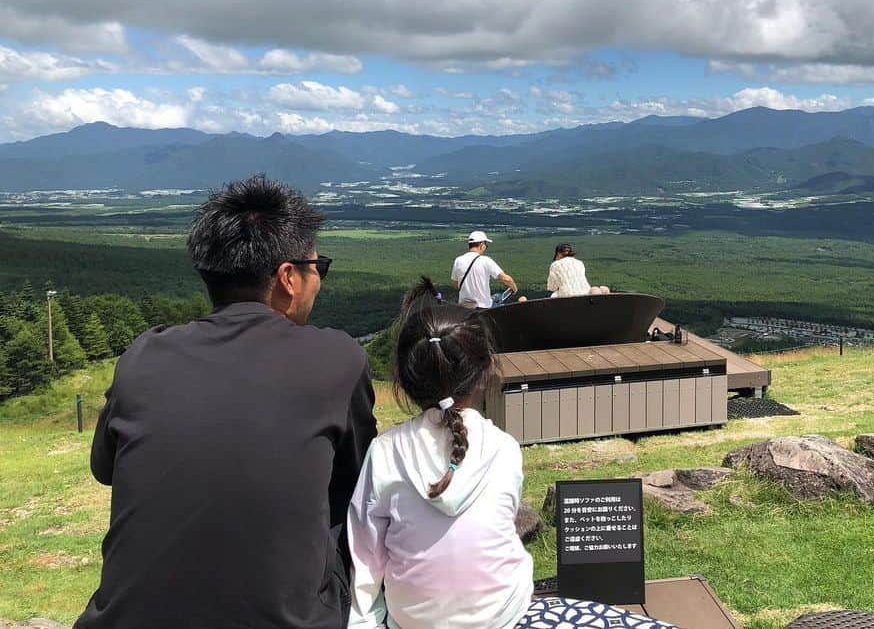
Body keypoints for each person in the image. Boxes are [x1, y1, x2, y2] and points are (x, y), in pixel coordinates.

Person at [77, 175, 378, 629]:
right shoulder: (337, 358)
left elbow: (105, 469)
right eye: (320, 266)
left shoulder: (144, 355)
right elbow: (358, 480)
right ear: (288, 278)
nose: (320, 278)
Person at [346, 280, 677, 629]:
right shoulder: (503, 447)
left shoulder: (384, 453)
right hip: (503, 617)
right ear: (485, 369)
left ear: (404, 378)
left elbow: (365, 556)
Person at [450, 230, 517, 308]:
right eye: (486, 245)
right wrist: (514, 289)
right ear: (482, 245)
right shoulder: (486, 260)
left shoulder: (458, 260)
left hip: (464, 307)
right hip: (483, 308)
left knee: (497, 296)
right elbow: (506, 279)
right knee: (499, 298)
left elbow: (455, 284)